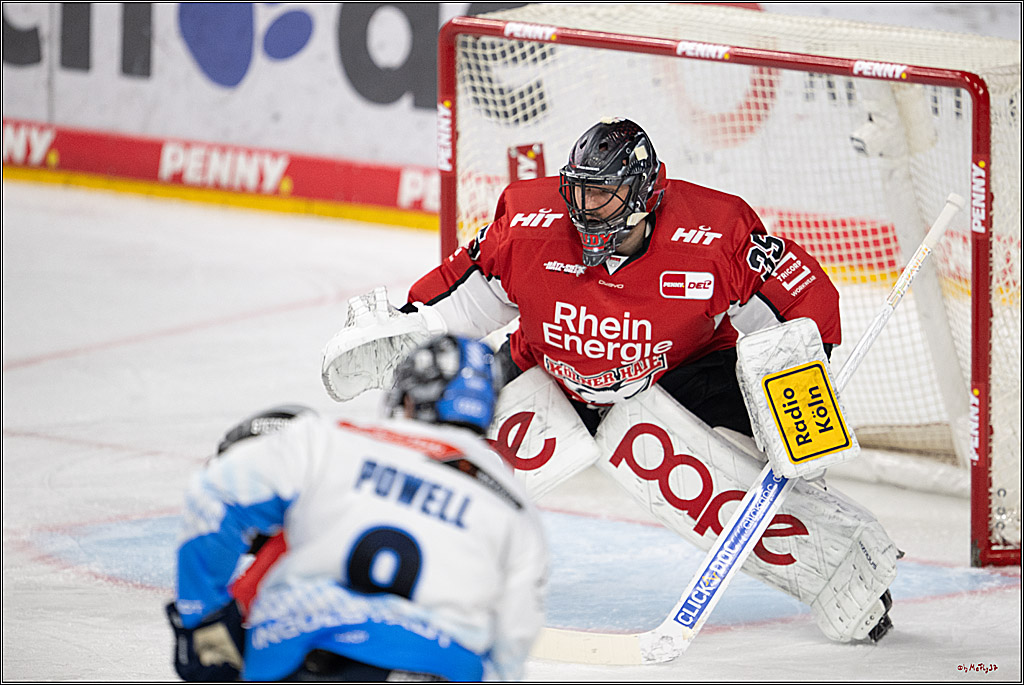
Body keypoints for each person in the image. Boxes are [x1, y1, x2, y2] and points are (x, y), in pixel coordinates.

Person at [320, 117, 895, 645]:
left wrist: (801, 395)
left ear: (645, 194)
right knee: (452, 448)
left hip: (678, 374)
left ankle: (844, 567)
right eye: (578, 190)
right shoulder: (527, 222)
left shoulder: (716, 236)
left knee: (763, 463)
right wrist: (410, 324)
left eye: (603, 193)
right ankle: (393, 558)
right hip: (548, 368)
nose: (584, 207)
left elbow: (804, 300)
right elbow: (465, 296)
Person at [165, 335, 549, 682]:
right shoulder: (514, 506)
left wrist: (201, 618)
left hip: (307, 652)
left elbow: (214, 497)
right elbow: (513, 638)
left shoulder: (328, 439)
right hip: (441, 667)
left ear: (409, 397)